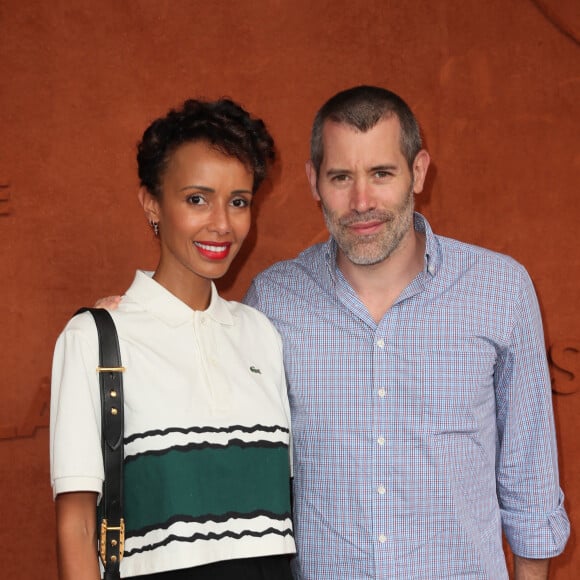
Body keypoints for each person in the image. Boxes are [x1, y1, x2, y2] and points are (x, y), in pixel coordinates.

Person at [243, 85, 570, 579]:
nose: (361, 201)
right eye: (340, 177)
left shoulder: (501, 289)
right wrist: (126, 317)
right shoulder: (272, 301)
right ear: (313, 181)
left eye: (381, 173)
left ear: (417, 171)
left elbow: (530, 478)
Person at [50, 99, 295, 580]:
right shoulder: (95, 339)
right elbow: (76, 527)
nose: (222, 223)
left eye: (239, 201)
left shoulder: (261, 334)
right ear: (151, 202)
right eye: (197, 199)